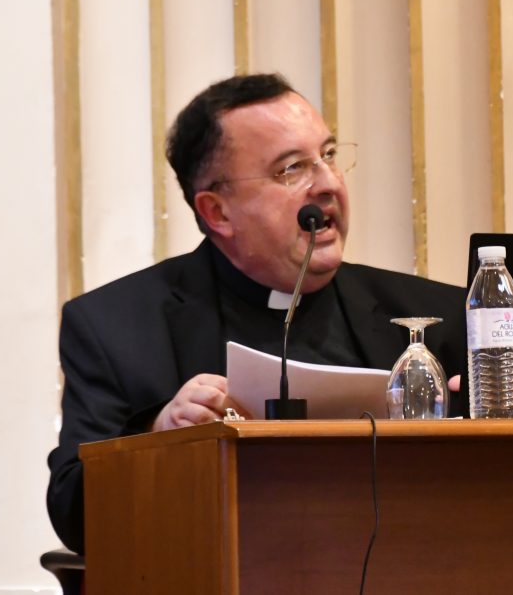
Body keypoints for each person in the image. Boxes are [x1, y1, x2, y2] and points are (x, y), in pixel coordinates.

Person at [46, 73, 468, 553]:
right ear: (218, 212)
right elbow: (75, 515)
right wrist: (158, 439)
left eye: (329, 155)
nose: (329, 183)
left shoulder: (434, 316)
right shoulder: (115, 327)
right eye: (291, 169)